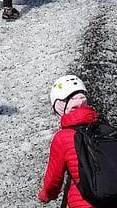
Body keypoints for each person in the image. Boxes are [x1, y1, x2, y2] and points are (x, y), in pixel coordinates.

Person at [37, 75, 98, 207]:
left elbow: (53, 181)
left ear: (60, 107)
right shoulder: (107, 130)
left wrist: (45, 195)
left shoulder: (63, 137)